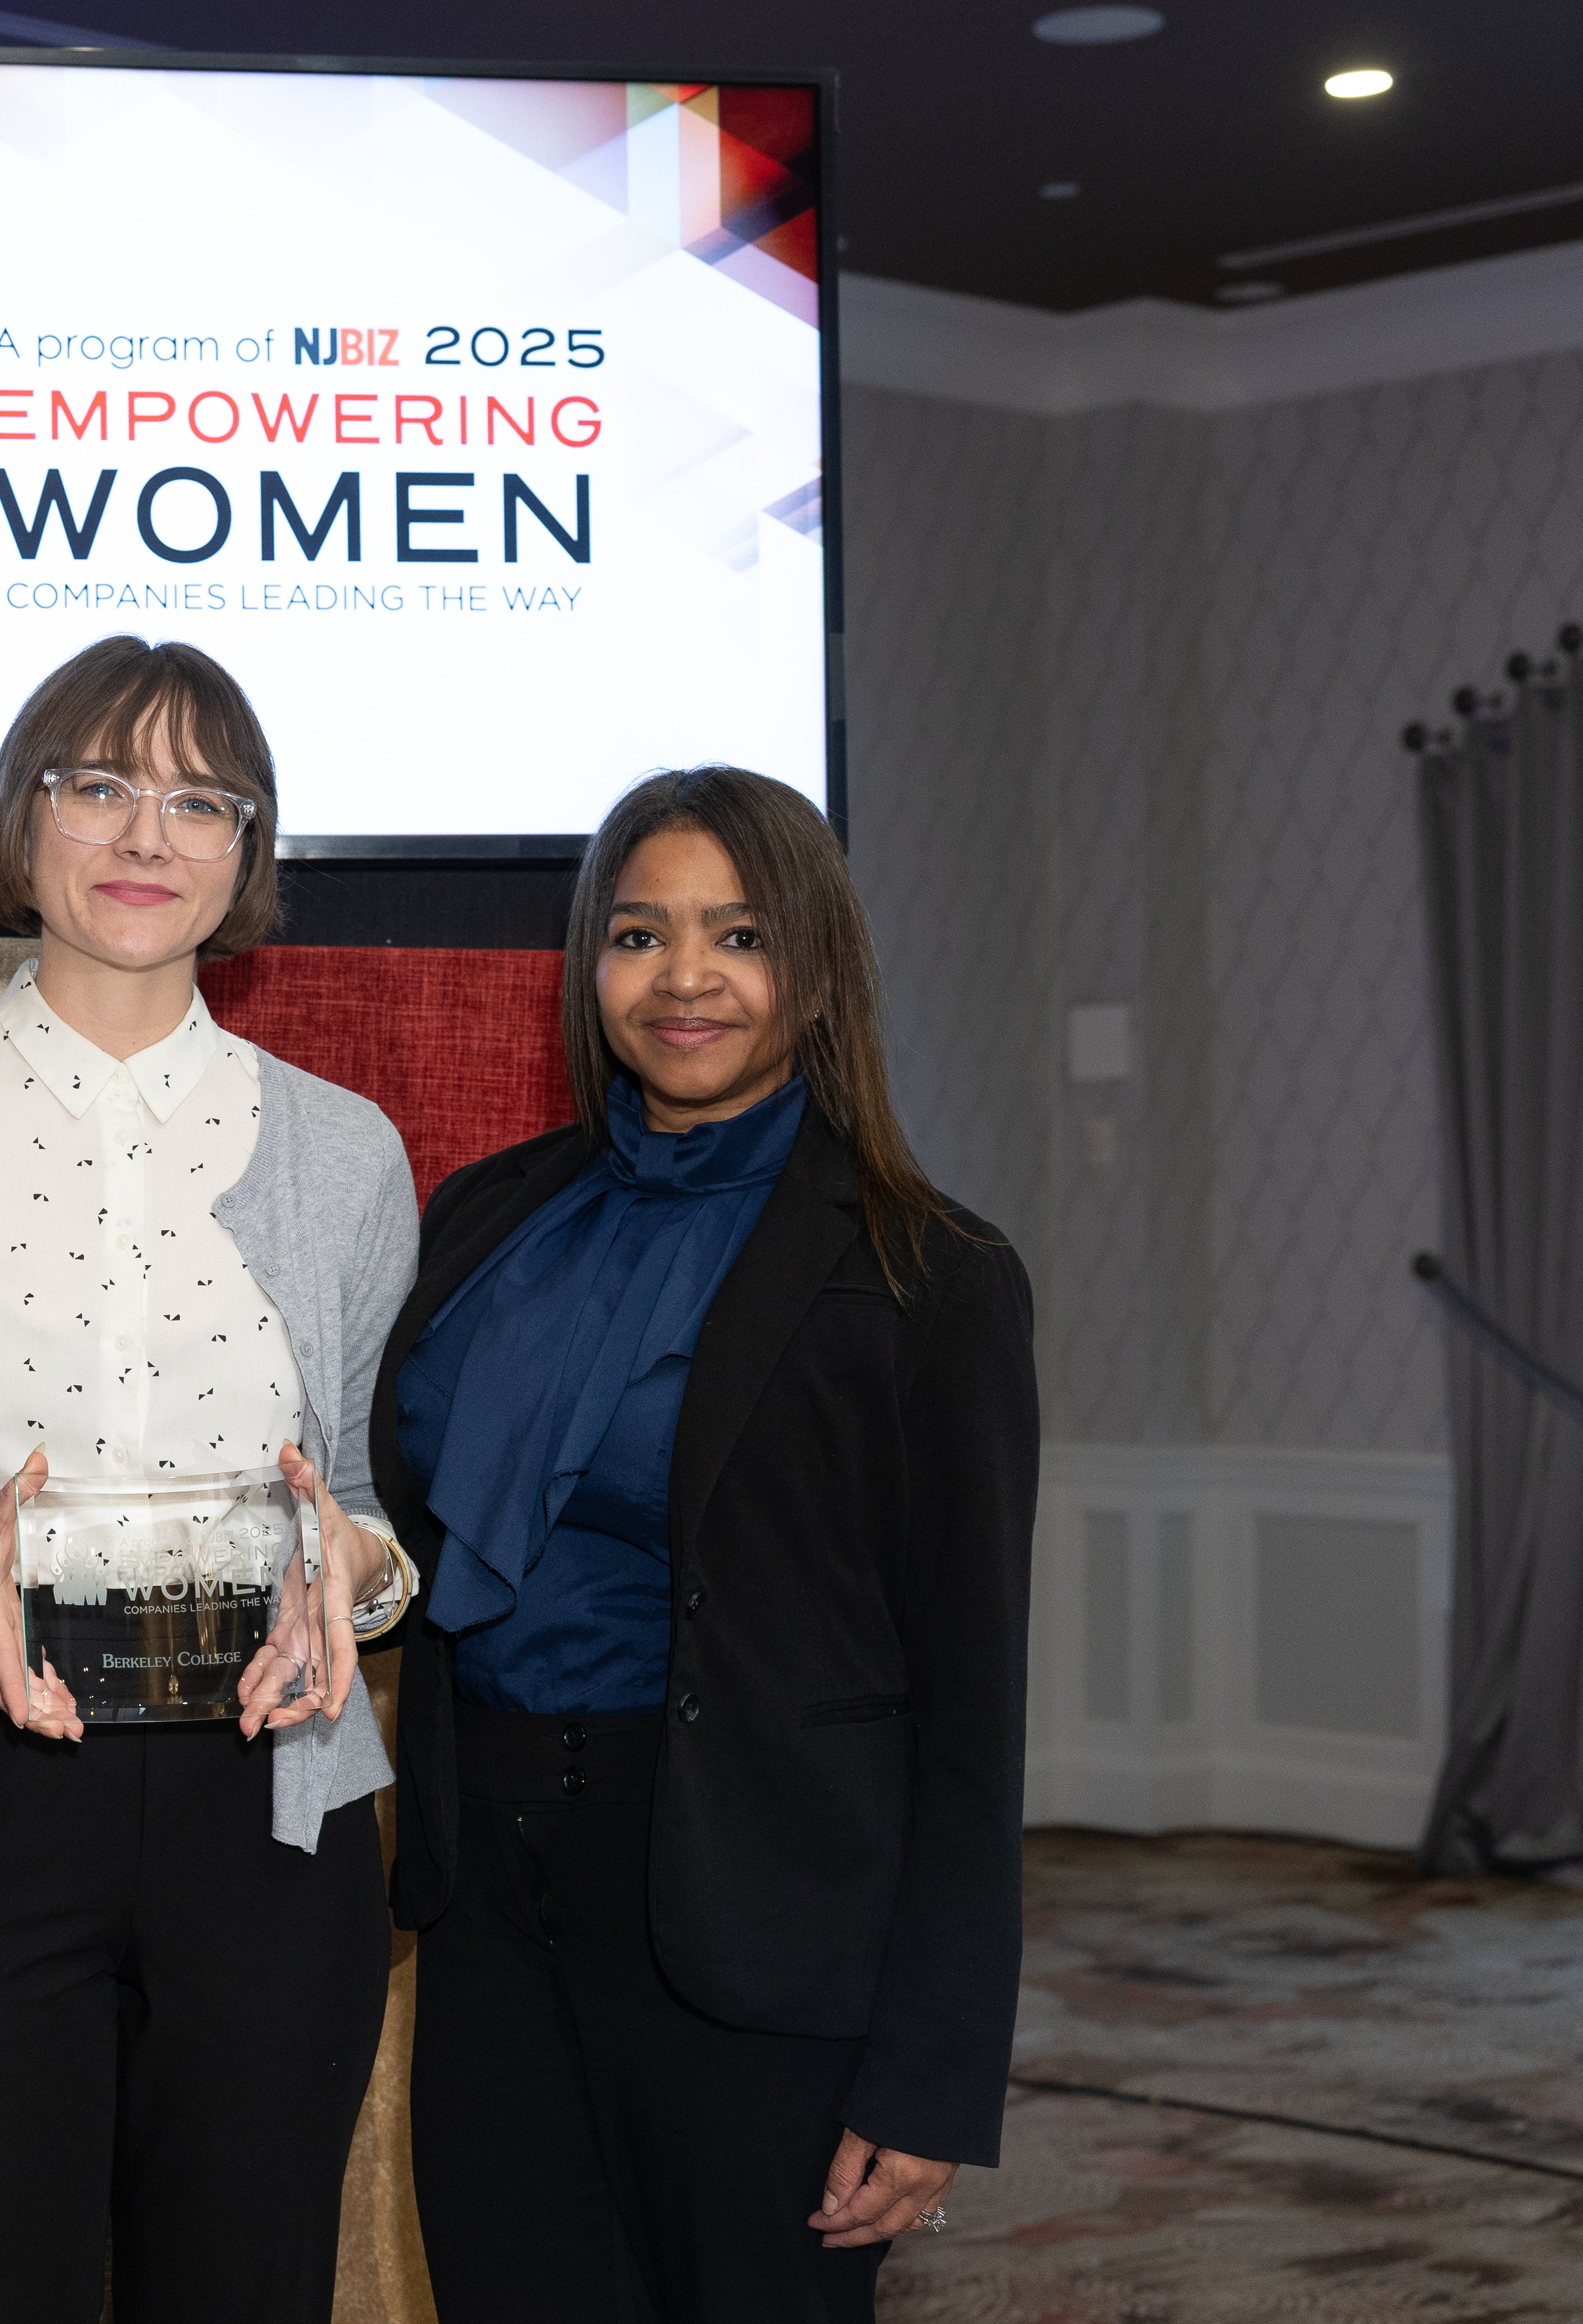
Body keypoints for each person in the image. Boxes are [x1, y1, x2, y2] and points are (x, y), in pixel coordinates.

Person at [0, 636, 422, 2323]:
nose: (147, 833)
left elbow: (393, 1511)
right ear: (23, 821)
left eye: (202, 799)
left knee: (247, 2287)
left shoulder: (348, 1151)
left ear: (246, 853)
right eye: (99, 782)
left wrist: (360, 1570)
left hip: (270, 1790)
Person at [375, 765, 1039, 2324]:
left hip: (759, 1902)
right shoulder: (485, 1217)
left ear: (814, 968)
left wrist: (936, 2070)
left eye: (738, 936)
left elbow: (973, 1710)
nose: (684, 979)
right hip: (490, 1902)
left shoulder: (929, 1274)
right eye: (638, 934)